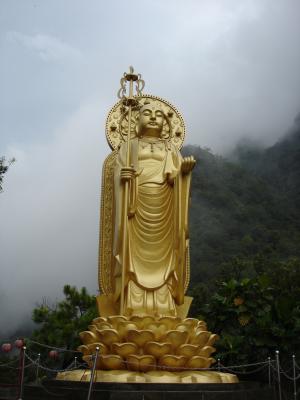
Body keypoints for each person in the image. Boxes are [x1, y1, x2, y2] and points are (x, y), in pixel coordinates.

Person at [111, 100, 195, 316]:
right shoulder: (128, 147)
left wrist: (183, 173)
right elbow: (119, 172)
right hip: (135, 206)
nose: (153, 117)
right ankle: (133, 303)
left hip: (164, 205)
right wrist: (124, 176)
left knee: (168, 253)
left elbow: (173, 176)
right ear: (136, 119)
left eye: (158, 115)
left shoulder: (170, 149)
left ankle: (164, 303)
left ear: (166, 123)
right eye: (147, 113)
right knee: (130, 250)